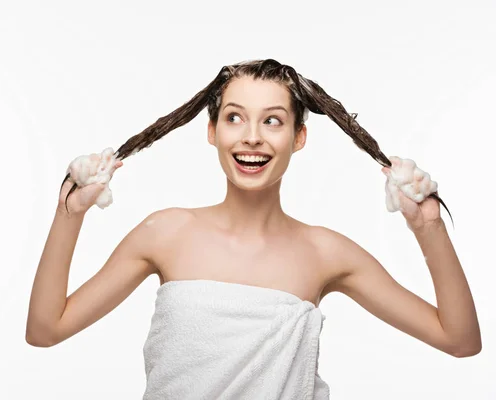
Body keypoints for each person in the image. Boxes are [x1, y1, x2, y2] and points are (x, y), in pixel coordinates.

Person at [26, 59, 481, 399]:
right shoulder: (165, 233)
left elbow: (459, 339)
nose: (252, 137)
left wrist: (428, 227)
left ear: (299, 138)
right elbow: (46, 329)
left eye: (273, 121)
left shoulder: (326, 252)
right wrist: (69, 213)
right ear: (212, 131)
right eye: (235, 117)